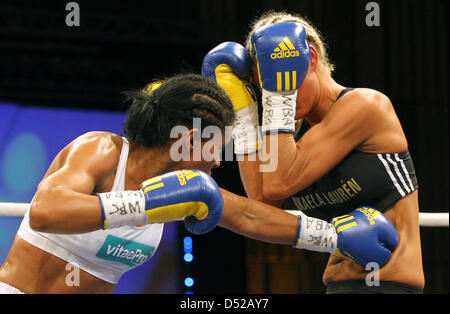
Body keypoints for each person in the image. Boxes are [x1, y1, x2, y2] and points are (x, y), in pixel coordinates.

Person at [0, 73, 397, 294]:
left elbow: (251, 218)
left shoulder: (185, 187)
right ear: (189, 139)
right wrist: (145, 203)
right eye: (216, 147)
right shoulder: (101, 150)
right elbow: (45, 212)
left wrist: (334, 237)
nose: (217, 161)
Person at [201, 11, 424, 294]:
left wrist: (279, 102)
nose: (275, 96)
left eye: (282, 80)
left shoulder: (366, 105)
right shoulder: (294, 136)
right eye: (265, 88)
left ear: (312, 59)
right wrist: (244, 116)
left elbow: (279, 181)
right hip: (335, 286)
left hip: (391, 285)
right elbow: (263, 200)